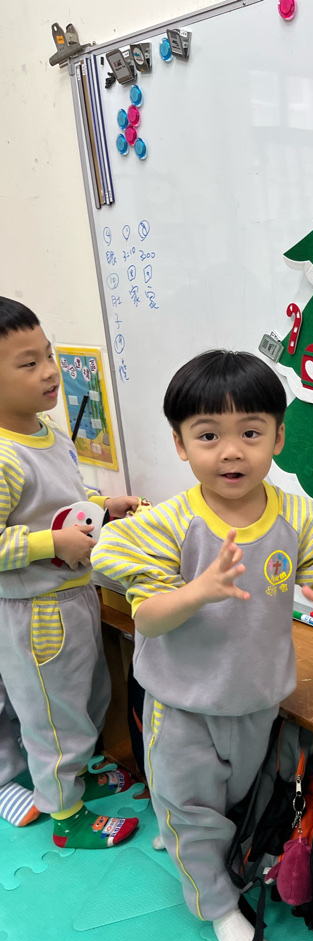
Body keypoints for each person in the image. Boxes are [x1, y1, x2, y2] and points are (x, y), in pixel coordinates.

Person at [92, 349, 313, 941]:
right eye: (209, 435)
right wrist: (197, 591)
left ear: (278, 438)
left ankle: (182, 831)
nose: (231, 452)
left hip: (256, 697)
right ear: (181, 444)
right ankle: (217, 907)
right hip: (182, 703)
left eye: (250, 433)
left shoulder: (296, 515)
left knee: (229, 799)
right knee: (191, 807)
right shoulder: (167, 524)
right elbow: (147, 617)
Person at [0, 296, 141, 845]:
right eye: (28, 363)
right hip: (35, 611)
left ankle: (75, 778)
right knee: (52, 717)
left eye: (49, 355)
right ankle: (65, 815)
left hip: (75, 595)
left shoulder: (49, 431)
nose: (50, 371)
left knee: (86, 697)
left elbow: (63, 501)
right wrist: (50, 543)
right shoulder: (5, 457)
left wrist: (104, 506)